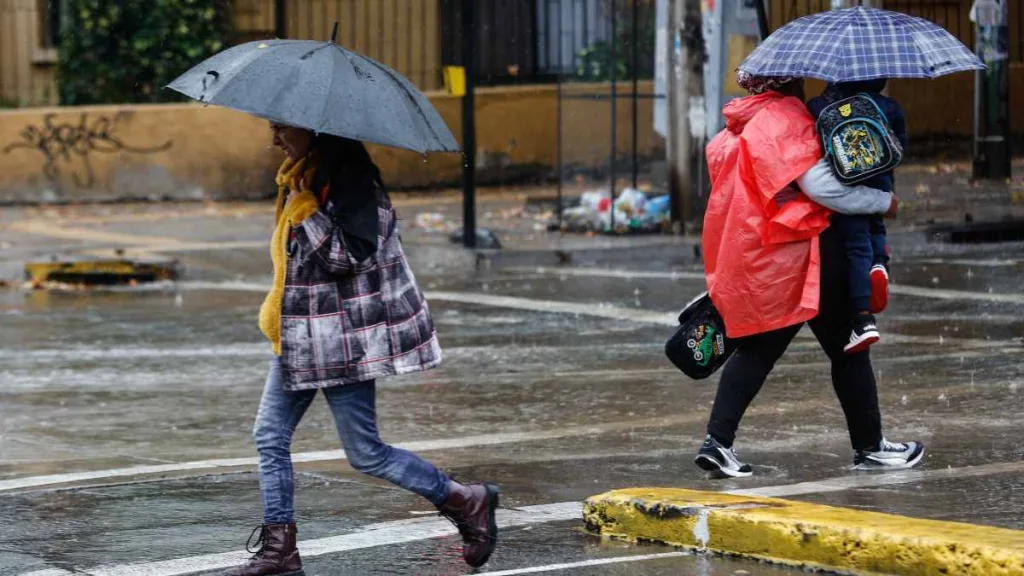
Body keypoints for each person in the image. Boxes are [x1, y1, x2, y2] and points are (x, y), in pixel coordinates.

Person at [223, 124, 499, 576]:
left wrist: (307, 211)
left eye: (281, 129)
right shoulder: (303, 174)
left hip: (341, 342)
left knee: (365, 452)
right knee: (270, 436)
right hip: (303, 339)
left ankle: (465, 500)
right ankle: (280, 551)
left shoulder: (350, 179)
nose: (274, 139)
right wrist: (301, 200)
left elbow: (350, 256)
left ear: (311, 128)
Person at [694, 72, 924, 479]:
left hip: (760, 252)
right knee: (846, 348)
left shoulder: (738, 123)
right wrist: (883, 200)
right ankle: (869, 446)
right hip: (798, 254)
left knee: (766, 350)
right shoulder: (784, 117)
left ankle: (717, 442)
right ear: (789, 81)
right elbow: (819, 187)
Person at [807, 79, 909, 354]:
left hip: (847, 184)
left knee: (855, 246)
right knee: (876, 231)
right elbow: (900, 148)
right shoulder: (890, 106)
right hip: (881, 182)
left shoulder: (820, 106)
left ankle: (863, 317)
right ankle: (880, 265)